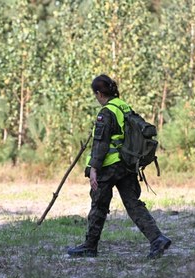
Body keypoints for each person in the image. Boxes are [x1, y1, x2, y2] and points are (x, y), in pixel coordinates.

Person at [68, 74, 171, 259]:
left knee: (99, 205)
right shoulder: (123, 106)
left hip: (109, 166)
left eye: (95, 95)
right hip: (127, 164)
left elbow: (101, 144)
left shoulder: (106, 112)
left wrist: (93, 169)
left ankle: (90, 246)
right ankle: (157, 239)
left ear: (99, 93)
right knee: (133, 204)